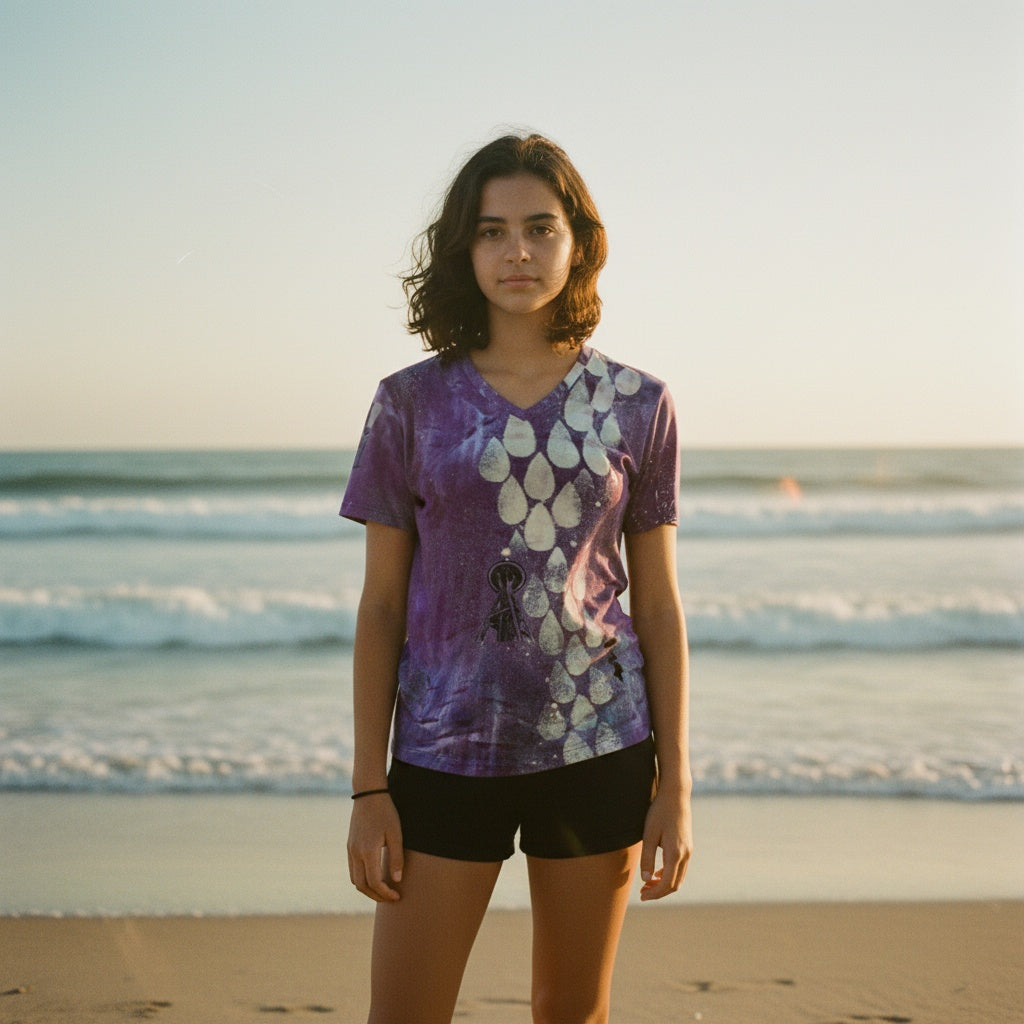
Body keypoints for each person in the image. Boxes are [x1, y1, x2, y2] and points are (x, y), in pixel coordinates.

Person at [340, 132, 692, 1024]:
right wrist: (368, 787)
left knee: (571, 1014)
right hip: (442, 748)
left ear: (578, 243)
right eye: (492, 231)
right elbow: (381, 606)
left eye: (540, 228)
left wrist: (676, 785)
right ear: (465, 248)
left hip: (599, 744)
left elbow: (657, 604)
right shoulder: (410, 403)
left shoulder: (638, 403)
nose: (518, 252)